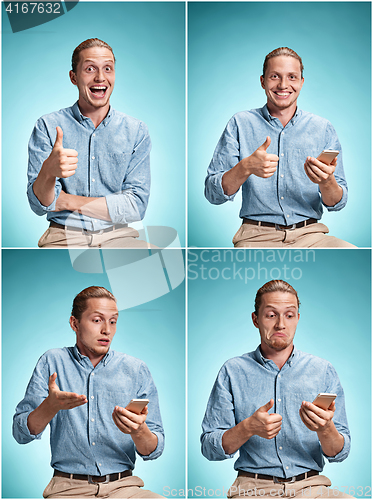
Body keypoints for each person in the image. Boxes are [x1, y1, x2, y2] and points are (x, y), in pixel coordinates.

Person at [201, 280, 353, 498]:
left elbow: (339, 453)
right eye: (271, 315)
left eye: (289, 315)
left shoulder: (323, 370)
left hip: (312, 488)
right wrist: (247, 428)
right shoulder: (232, 370)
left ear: (297, 319)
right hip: (252, 489)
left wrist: (325, 428)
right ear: (255, 319)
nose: (281, 324)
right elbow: (209, 447)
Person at [13, 286, 164, 498]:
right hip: (68, 489)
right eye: (97, 320)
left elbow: (153, 450)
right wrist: (50, 406)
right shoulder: (52, 361)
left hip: (125, 488)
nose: (107, 330)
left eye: (113, 321)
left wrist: (138, 431)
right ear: (75, 323)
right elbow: (20, 434)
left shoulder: (136, 369)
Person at [204, 47, 356, 248]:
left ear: (301, 82)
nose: (283, 85)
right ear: (263, 81)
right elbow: (212, 194)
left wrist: (327, 181)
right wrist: (245, 167)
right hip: (255, 237)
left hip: (311, 236)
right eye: (275, 76)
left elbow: (338, 203)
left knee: (349, 251)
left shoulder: (323, 128)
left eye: (292, 77)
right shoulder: (240, 123)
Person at [27, 38, 152, 248]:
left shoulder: (137, 131)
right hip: (64, 237)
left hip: (119, 236)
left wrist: (67, 201)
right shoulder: (47, 126)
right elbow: (40, 205)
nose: (100, 77)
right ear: (73, 77)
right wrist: (48, 172)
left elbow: (136, 207)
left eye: (108, 68)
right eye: (90, 69)